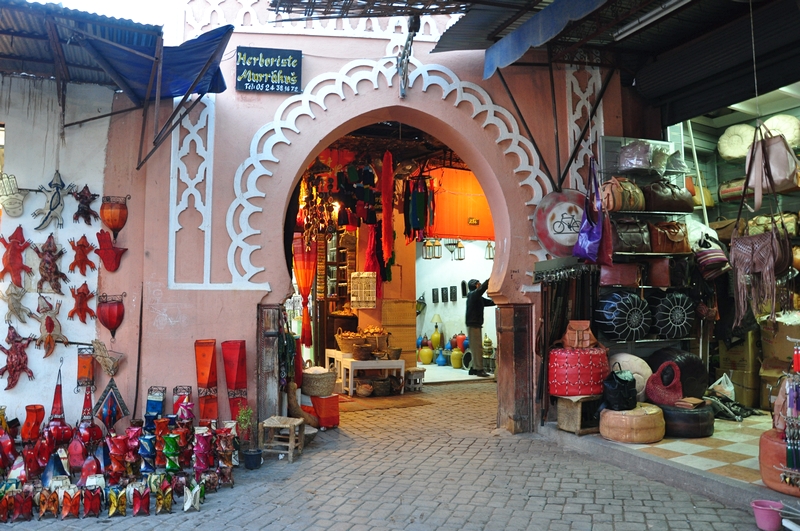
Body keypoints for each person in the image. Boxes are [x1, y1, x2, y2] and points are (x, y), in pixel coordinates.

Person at [465, 278, 495, 377]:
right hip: (473, 324)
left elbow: (491, 302)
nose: (480, 285)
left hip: (475, 324)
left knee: (475, 348)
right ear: (474, 286)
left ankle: (473, 368)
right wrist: (490, 280)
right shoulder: (473, 295)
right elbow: (481, 290)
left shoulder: (477, 298)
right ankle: (479, 369)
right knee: (477, 348)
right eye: (478, 284)